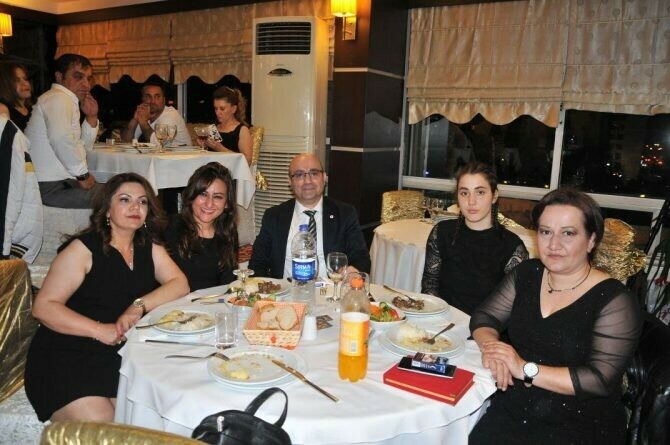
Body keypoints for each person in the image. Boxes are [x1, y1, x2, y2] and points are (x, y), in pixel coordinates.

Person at [469, 188, 642, 444]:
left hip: (581, 423)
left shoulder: (615, 300)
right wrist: (493, 349)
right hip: (517, 406)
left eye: (568, 233)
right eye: (546, 231)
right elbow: (484, 317)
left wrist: (523, 368)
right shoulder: (527, 274)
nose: (553, 244)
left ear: (591, 240)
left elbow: (599, 379)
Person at [24, 172, 189, 423]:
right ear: (107, 209)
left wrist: (138, 306)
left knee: (141, 420)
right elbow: (43, 307)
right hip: (67, 350)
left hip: (116, 352)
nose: (135, 207)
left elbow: (180, 284)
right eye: (125, 199)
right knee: (106, 427)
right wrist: (100, 330)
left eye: (142, 201)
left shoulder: (148, 245)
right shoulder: (83, 249)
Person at [421, 162, 528, 315]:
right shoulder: (442, 233)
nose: (471, 201)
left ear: (494, 196)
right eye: (464, 193)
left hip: (487, 328)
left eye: (480, 192)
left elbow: (514, 308)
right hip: (442, 322)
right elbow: (429, 286)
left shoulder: (512, 247)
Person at [249, 153, 370, 279]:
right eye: (299, 175)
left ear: (324, 177)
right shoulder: (274, 216)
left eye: (314, 173)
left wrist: (352, 271)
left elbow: (362, 258)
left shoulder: (345, 214)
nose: (307, 181)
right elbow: (257, 264)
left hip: (331, 288)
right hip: (287, 289)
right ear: (290, 181)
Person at [25, 53, 101, 209]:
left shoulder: (64, 99)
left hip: (59, 184)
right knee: (122, 195)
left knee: (123, 192)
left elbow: (82, 148)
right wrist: (83, 175)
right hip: (48, 188)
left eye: (88, 78)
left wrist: (91, 117)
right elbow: (60, 139)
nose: (86, 85)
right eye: (78, 77)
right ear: (59, 77)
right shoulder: (58, 98)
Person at [165, 162, 238, 291]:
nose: (209, 204)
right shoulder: (170, 228)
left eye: (218, 197)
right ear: (192, 195)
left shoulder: (228, 232)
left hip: (214, 302)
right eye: (203, 194)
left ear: (226, 203)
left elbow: (228, 284)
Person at [121, 79, 191, 147]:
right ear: (143, 99)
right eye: (148, 96)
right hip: (164, 154)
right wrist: (134, 120)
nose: (152, 101)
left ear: (164, 100)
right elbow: (126, 142)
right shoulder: (145, 114)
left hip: (183, 154)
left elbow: (160, 144)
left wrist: (143, 123)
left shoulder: (170, 115)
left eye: (157, 97)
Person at [197, 86, 252, 164]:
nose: (217, 112)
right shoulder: (213, 128)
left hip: (232, 171)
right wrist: (204, 146)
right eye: (216, 108)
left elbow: (247, 161)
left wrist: (220, 149)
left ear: (233, 109)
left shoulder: (242, 130)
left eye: (222, 109)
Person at [0, 62, 32, 131]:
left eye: (25, 79)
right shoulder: (3, 109)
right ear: (6, 85)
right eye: (17, 80)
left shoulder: (34, 109)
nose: (25, 83)